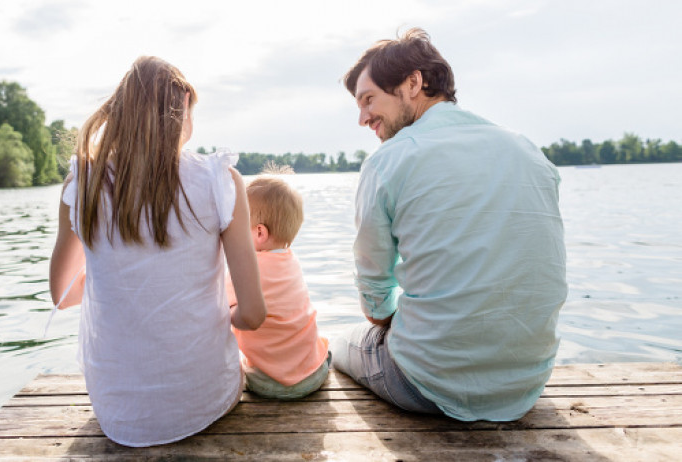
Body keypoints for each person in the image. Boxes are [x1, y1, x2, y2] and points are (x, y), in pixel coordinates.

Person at [330, 28, 567, 421]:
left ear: (413, 83)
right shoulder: (528, 151)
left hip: (425, 386)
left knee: (340, 343)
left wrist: (407, 325)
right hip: (527, 384)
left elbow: (375, 302)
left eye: (368, 99)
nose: (362, 118)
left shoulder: (389, 161)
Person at [49, 56, 266, 447]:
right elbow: (252, 314)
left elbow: (62, 295)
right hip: (208, 400)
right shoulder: (218, 179)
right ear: (183, 106)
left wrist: (119, 279)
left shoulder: (82, 183)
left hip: (118, 415)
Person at [225, 175, 330, 399]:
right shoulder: (291, 261)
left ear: (259, 233)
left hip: (269, 382)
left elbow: (220, 305)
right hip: (314, 374)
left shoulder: (245, 268)